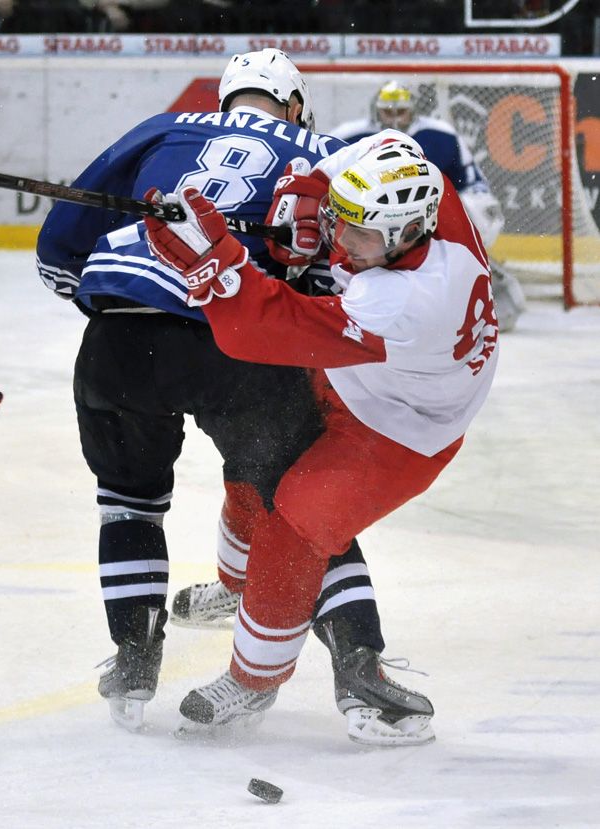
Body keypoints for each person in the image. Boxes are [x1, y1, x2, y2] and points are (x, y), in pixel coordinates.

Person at [35, 49, 404, 737]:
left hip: (121, 335)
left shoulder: (165, 128)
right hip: (240, 338)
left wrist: (124, 300)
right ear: (293, 106)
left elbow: (57, 247)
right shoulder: (324, 153)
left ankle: (134, 659)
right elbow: (341, 275)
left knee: (128, 504)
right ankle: (362, 672)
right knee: (303, 511)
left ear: (227, 96)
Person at [143, 133, 500, 745]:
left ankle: (254, 680)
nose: (341, 243)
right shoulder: (428, 198)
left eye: (359, 236)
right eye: (342, 223)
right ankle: (239, 590)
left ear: (407, 234)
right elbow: (392, 141)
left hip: (397, 434)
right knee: (252, 461)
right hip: (366, 377)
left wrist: (217, 264)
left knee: (295, 528)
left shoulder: (403, 301)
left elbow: (260, 328)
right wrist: (309, 193)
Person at [332, 79, 526, 332]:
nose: (394, 119)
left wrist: (473, 221)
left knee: (474, 209)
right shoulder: (350, 135)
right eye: (387, 112)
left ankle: (474, 281)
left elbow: (471, 181)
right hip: (370, 222)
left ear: (412, 111)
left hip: (428, 219)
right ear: (375, 110)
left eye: (400, 112)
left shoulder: (441, 135)